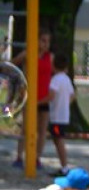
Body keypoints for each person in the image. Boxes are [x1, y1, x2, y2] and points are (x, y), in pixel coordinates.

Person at [12, 29, 51, 169]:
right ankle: (19, 157)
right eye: (43, 40)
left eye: (48, 41)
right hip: (30, 97)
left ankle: (37, 158)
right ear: (37, 40)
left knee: (42, 130)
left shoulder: (49, 57)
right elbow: (12, 65)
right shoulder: (28, 53)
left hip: (44, 98)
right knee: (26, 128)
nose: (46, 44)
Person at [46, 53, 75, 177]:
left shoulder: (55, 79)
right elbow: (72, 96)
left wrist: (38, 101)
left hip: (56, 116)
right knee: (58, 139)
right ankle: (64, 166)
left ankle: (64, 167)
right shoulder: (67, 79)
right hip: (64, 115)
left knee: (59, 140)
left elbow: (51, 95)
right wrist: (64, 104)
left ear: (53, 65)